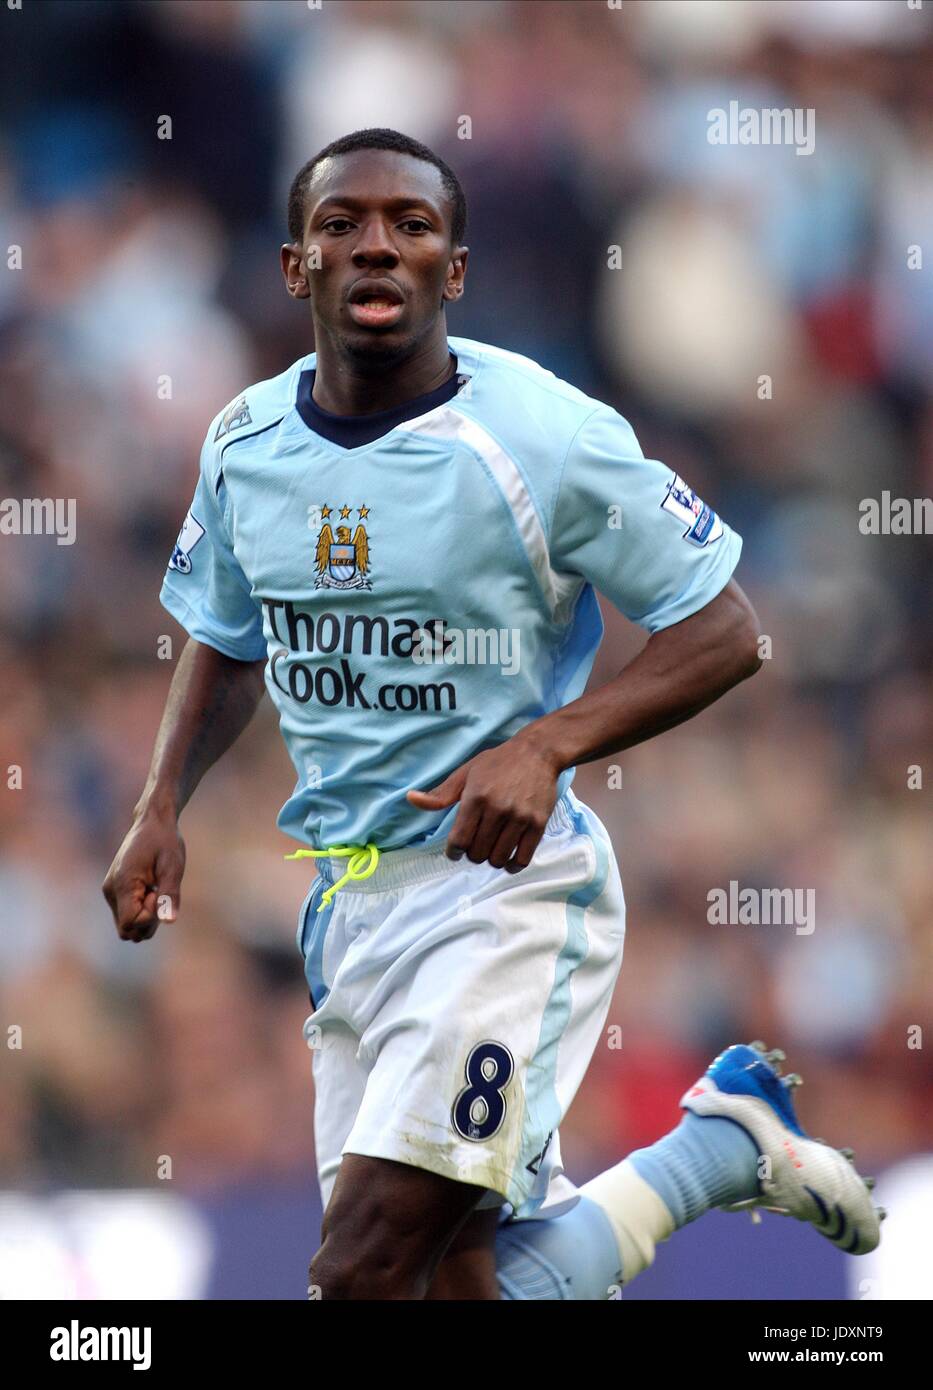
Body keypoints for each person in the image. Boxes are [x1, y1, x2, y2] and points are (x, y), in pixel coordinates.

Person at [103, 129, 880, 1300]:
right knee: (455, 1287)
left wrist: (547, 744)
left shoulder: (546, 436)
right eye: (342, 224)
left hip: (503, 898)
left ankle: (715, 1150)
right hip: (347, 908)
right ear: (292, 266)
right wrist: (160, 805)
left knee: (360, 1269)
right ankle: (718, 1148)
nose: (376, 246)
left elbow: (727, 628)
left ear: (453, 271)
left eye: (411, 227)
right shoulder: (246, 443)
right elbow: (223, 635)